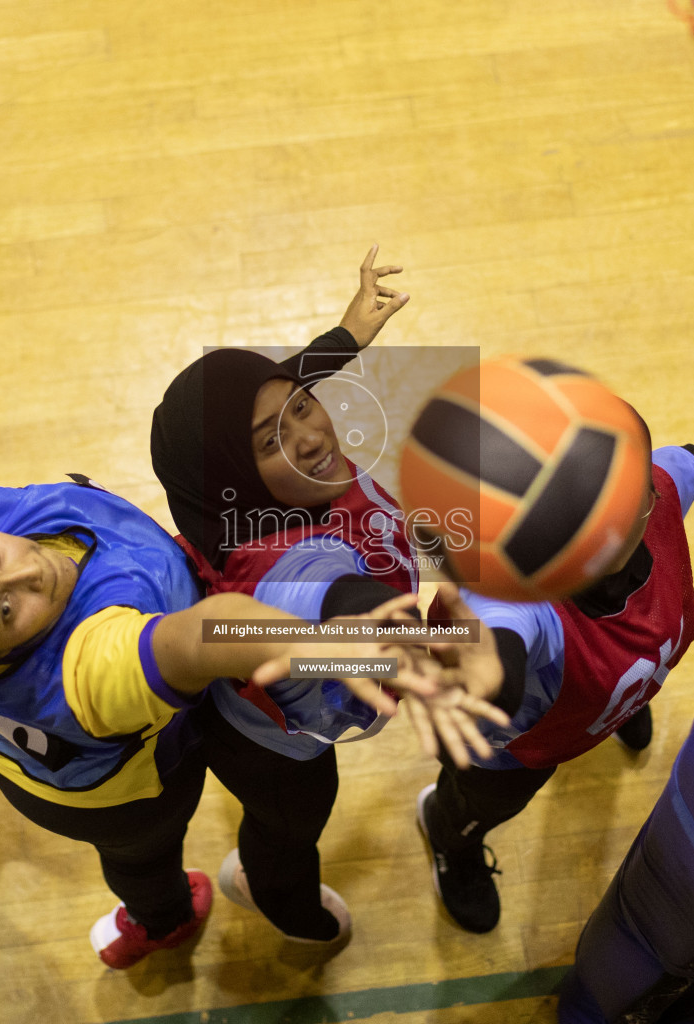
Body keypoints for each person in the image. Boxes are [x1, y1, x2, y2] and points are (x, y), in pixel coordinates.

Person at [0, 67, 435, 969]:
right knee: (143, 857)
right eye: (8, 608)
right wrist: (366, 649)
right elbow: (225, 631)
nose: (26, 570)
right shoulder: (95, 666)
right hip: (109, 791)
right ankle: (164, 921)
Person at [150, 266, 510, 945]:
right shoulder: (275, 563)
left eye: (303, 407)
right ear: (232, 472)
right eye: (268, 440)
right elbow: (333, 592)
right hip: (275, 747)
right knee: (289, 828)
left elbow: (280, 388)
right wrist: (400, 619)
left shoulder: (286, 483)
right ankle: (282, 903)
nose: (310, 436)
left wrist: (348, 335)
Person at [417, 426, 694, 933]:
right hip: (511, 751)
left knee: (602, 681)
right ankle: (448, 834)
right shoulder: (516, 596)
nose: (604, 524)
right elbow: (497, 641)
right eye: (580, 507)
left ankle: (617, 700)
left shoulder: (656, 500)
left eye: (623, 500)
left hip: (595, 692)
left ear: (650, 494)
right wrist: (484, 673)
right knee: (481, 804)